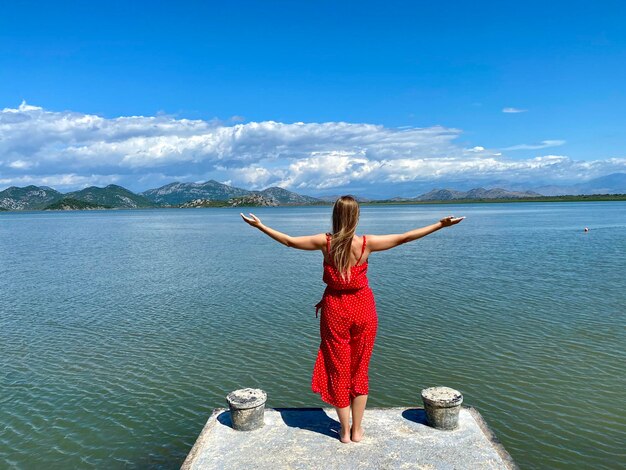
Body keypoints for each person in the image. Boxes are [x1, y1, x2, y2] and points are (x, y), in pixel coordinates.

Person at [240, 195, 465, 443]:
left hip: (335, 309)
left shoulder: (326, 243)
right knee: (360, 370)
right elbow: (405, 237)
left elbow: (289, 242)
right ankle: (358, 430)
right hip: (363, 308)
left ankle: (344, 431)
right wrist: (439, 225)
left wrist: (260, 226)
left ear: (335, 216)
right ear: (357, 217)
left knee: (338, 369)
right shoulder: (367, 244)